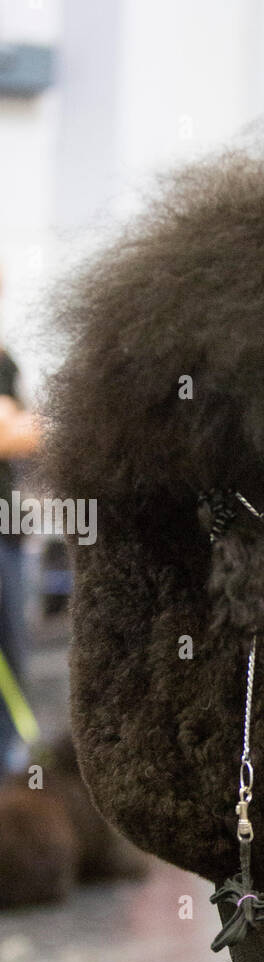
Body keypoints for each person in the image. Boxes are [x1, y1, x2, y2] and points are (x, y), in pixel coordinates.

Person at [0, 273, 41, 773]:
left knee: (15, 654)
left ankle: (13, 769)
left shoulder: (6, 359)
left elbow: (32, 431)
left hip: (9, 533)